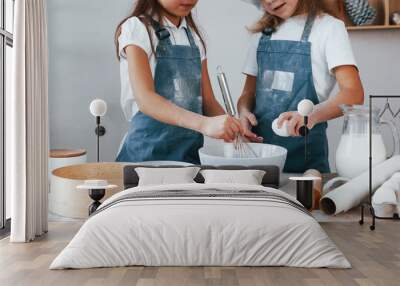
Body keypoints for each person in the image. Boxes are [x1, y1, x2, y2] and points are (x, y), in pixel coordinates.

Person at [238, 0, 364, 173]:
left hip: (306, 163)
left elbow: (353, 94)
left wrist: (310, 116)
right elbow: (248, 93)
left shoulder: (329, 28)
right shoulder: (261, 34)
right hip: (259, 163)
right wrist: (243, 112)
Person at [115, 0, 243, 164]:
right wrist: (204, 124)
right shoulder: (137, 28)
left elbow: (208, 101)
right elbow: (145, 99)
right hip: (145, 158)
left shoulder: (194, 38)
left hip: (188, 159)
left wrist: (233, 128)